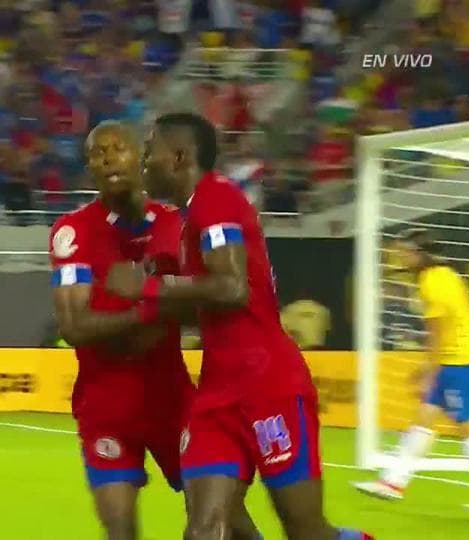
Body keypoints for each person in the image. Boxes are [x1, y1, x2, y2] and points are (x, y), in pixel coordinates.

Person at [104, 113, 370, 540]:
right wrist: (141, 306)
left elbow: (232, 288)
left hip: (268, 387)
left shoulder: (217, 199)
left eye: (150, 151)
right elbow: (207, 307)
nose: (143, 161)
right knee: (204, 531)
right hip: (218, 396)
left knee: (306, 531)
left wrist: (150, 286)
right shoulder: (192, 218)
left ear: (179, 157)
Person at [49, 121, 259, 540]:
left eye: (118, 148)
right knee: (120, 532)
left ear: (141, 158)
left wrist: (146, 303)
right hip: (105, 406)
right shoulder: (72, 232)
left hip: (172, 401)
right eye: (97, 153)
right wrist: (152, 312)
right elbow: (74, 326)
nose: (108, 158)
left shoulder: (174, 223)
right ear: (89, 167)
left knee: (227, 520)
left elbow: (207, 301)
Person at [354, 228, 469, 503]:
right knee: (425, 418)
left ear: (418, 254)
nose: (400, 257)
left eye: (404, 252)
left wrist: (429, 372)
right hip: (459, 356)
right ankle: (393, 482)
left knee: (467, 426)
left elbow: (437, 333)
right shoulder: (447, 274)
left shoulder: (432, 283)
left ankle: (393, 482)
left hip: (456, 361)